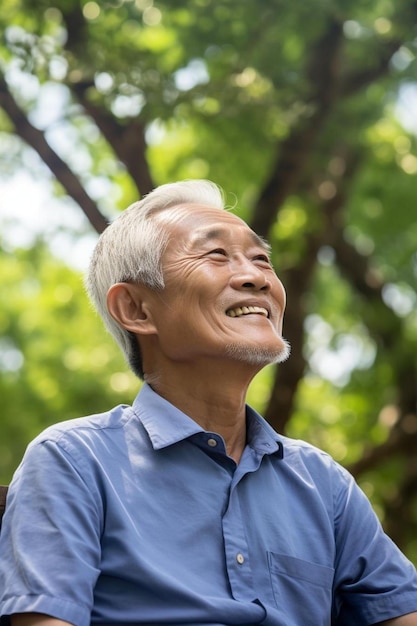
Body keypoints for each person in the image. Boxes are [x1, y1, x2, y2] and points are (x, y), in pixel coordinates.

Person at [0, 179, 416, 626]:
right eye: (216, 255)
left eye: (261, 259)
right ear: (137, 310)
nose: (257, 277)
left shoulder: (323, 483)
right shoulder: (73, 461)